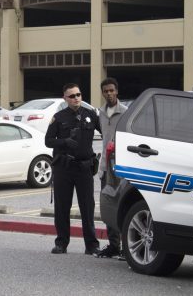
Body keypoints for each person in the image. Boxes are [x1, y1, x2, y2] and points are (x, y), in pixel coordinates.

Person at [45, 83, 101, 255]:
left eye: (78, 94)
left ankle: (91, 245)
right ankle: (61, 243)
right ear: (65, 98)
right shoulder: (59, 117)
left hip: (84, 167)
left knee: (87, 207)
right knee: (62, 207)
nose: (76, 98)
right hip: (64, 168)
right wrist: (64, 142)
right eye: (72, 96)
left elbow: (107, 132)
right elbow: (48, 141)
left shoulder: (90, 115)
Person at [95, 77, 128, 259]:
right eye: (105, 91)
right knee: (108, 207)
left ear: (116, 91)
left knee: (122, 207)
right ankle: (114, 246)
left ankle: (126, 248)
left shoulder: (125, 112)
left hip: (120, 168)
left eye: (111, 90)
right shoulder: (100, 113)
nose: (108, 94)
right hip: (105, 168)